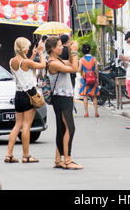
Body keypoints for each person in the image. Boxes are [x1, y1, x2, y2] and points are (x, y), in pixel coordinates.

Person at [4, 37, 46, 164]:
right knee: (26, 126)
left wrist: (32, 56)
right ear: (22, 48)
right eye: (27, 46)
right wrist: (41, 52)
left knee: (17, 125)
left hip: (18, 94)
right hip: (29, 94)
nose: (29, 48)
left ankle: (9, 155)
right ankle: (26, 156)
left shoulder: (12, 61)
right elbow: (43, 65)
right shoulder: (26, 62)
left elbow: (25, 69)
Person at [46, 35, 83, 170]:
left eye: (62, 45)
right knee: (70, 128)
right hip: (61, 98)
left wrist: (71, 50)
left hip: (63, 97)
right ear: (52, 49)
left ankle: (58, 159)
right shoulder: (53, 63)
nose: (62, 47)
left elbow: (74, 64)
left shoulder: (58, 60)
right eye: (60, 46)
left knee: (62, 129)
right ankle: (67, 160)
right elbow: (75, 69)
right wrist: (73, 51)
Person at [79, 44, 100, 117]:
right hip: (93, 79)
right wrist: (97, 78)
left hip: (85, 79)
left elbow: (79, 70)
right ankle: (96, 112)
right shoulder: (94, 59)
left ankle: (86, 113)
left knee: (85, 96)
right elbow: (96, 70)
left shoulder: (81, 60)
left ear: (83, 52)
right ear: (90, 50)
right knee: (94, 96)